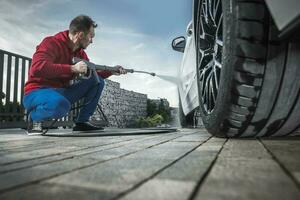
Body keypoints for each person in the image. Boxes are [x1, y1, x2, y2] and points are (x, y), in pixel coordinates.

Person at [23, 15, 127, 134]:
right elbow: (37, 68)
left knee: (97, 81)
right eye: (91, 36)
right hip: (37, 93)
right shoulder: (51, 42)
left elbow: (92, 73)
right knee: (60, 104)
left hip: (61, 93)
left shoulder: (80, 54)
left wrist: (111, 71)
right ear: (81, 35)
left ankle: (82, 122)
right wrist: (72, 68)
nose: (92, 41)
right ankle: (35, 117)